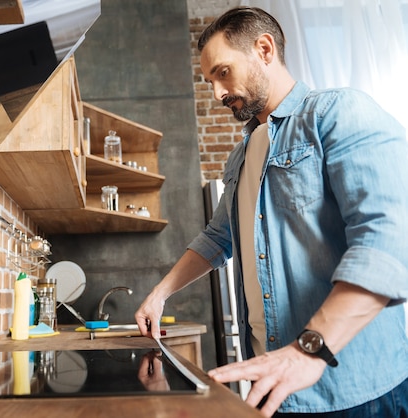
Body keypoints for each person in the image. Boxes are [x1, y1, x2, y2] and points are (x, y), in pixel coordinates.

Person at [135, 6, 408, 418]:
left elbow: (389, 242)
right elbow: (217, 238)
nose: (217, 93)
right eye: (210, 81)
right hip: (273, 389)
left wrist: (307, 351)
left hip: (354, 391)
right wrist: (159, 295)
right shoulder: (241, 156)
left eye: (222, 73)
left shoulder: (337, 113)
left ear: (264, 49)